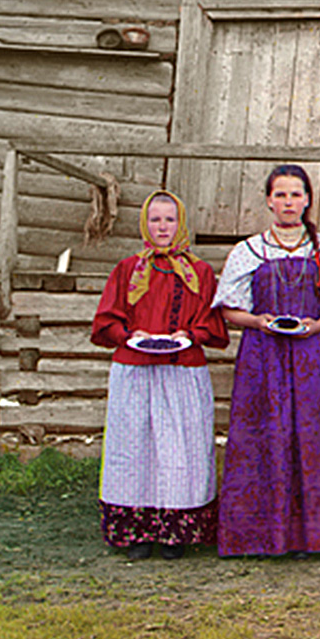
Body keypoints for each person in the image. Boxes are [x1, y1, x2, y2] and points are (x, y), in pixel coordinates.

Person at [212, 164, 320, 558]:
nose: (288, 202)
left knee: (312, 435)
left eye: (296, 194)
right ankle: (261, 535)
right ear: (269, 200)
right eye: (280, 194)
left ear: (308, 200)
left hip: (311, 355)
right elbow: (229, 309)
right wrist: (258, 321)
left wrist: (318, 325)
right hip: (262, 356)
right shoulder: (248, 251)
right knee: (265, 434)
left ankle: (312, 536)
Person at [91, 190, 229, 560]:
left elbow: (212, 323)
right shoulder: (127, 269)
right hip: (134, 372)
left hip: (181, 372)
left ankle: (175, 531)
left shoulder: (199, 272)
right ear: (145, 224)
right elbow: (108, 318)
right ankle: (136, 532)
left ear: (180, 223)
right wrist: (128, 335)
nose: (162, 227)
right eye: (155, 220)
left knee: (180, 449)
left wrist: (190, 334)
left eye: (169, 219)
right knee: (133, 448)